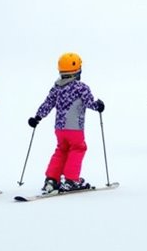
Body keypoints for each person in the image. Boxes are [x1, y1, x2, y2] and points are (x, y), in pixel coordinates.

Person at [27, 53, 105, 194]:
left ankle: (51, 179)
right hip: (75, 128)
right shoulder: (81, 88)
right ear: (78, 71)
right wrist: (98, 106)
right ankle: (71, 180)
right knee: (78, 148)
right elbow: (89, 103)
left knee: (62, 150)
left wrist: (37, 117)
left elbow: (47, 104)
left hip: (59, 129)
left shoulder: (56, 88)